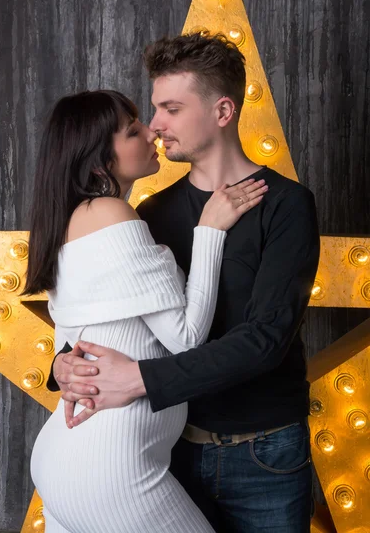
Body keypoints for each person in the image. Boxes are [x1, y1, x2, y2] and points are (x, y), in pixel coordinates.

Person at [51, 33, 321, 533]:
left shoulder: (287, 205)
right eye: (153, 109)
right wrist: (63, 363)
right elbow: (109, 313)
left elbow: (265, 340)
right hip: (166, 454)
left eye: (171, 108)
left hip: (265, 454)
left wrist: (140, 381)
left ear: (222, 112)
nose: (155, 125)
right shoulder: (146, 214)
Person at [23, 88, 267, 533]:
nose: (151, 130)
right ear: (99, 162)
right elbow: (186, 338)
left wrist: (60, 362)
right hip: (110, 469)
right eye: (132, 129)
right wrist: (209, 231)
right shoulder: (111, 214)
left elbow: (78, 337)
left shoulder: (78, 218)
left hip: (68, 455)